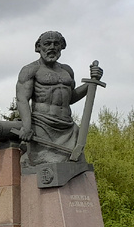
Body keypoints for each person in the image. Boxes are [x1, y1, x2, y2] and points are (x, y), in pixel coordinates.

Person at [15, 31, 103, 170]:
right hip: (42, 126)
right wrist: (27, 126)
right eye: (47, 44)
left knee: (77, 166)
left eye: (56, 44)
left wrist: (92, 82)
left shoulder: (67, 70)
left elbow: (70, 98)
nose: (52, 47)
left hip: (67, 127)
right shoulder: (30, 70)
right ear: (38, 47)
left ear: (62, 46)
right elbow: (22, 99)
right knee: (46, 167)